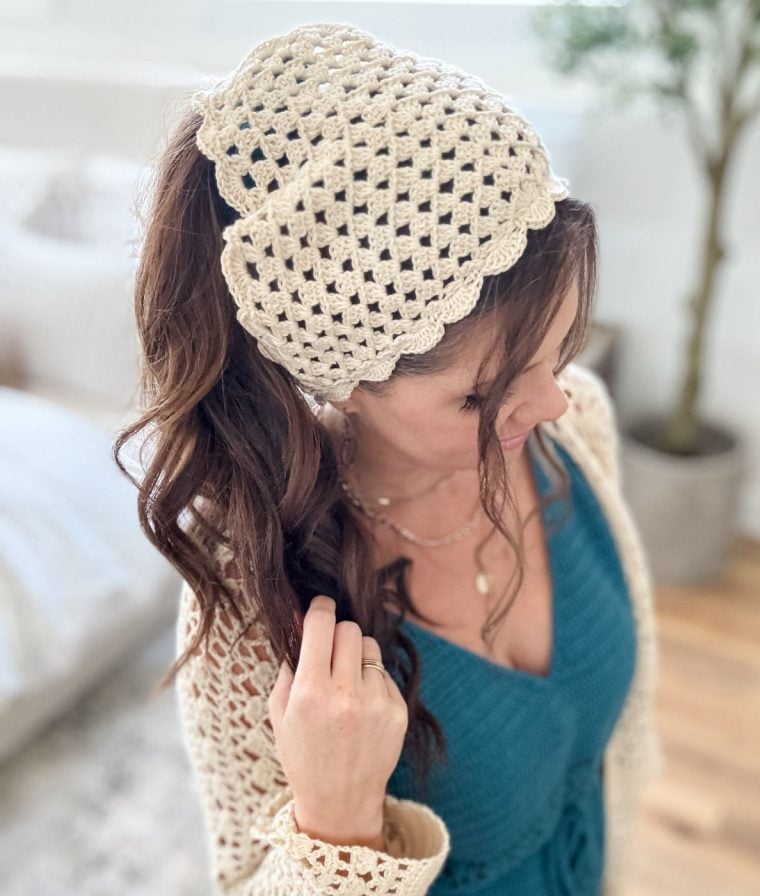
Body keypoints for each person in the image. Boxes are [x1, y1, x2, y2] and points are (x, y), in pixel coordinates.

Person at [114, 21, 665, 896]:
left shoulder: (575, 431)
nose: (557, 400)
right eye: (483, 396)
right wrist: (335, 824)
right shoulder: (254, 594)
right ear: (346, 384)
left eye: (561, 346)